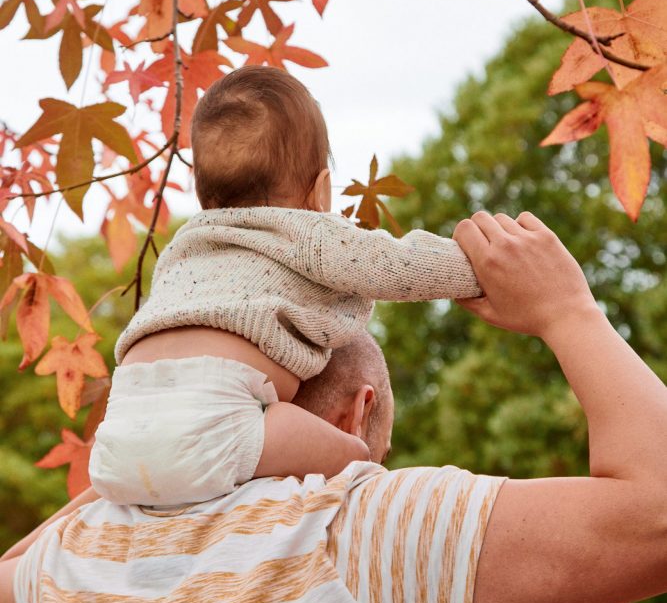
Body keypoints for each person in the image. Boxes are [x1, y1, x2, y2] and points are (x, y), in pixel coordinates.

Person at [1, 210, 667, 603]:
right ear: (360, 412)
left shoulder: (73, 563)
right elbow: (656, 518)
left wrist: (148, 467)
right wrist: (567, 310)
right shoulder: (358, 530)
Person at [89, 65, 481, 507]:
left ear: (203, 194)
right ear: (321, 191)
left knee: (126, 489)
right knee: (356, 457)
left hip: (118, 432)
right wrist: (480, 267)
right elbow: (396, 266)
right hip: (217, 419)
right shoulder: (305, 232)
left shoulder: (184, 245)